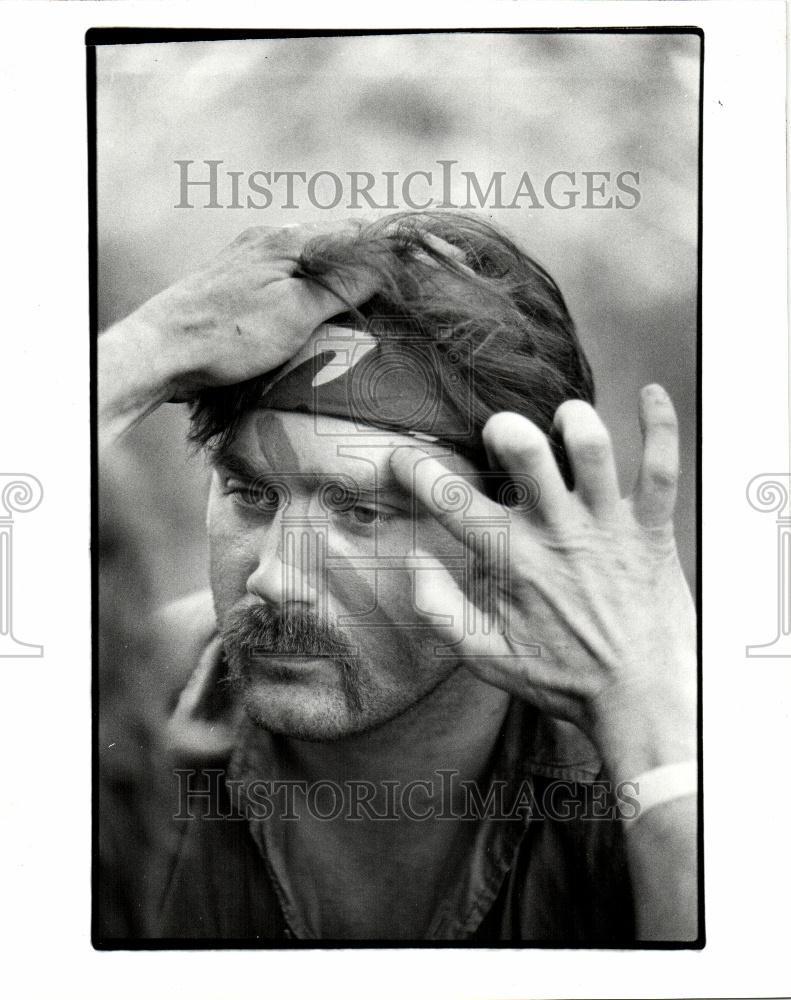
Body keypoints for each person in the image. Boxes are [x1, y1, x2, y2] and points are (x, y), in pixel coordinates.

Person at [98, 212, 698, 943]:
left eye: (361, 511)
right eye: (251, 495)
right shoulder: (114, 714)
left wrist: (660, 755)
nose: (276, 579)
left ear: (517, 536)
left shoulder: (649, 764)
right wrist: (148, 352)